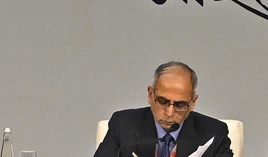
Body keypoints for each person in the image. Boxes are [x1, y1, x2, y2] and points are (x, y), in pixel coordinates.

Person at [94, 61, 233, 157]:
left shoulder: (214, 133)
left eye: (180, 105)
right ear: (150, 94)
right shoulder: (122, 125)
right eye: (162, 101)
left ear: (193, 102)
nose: (169, 112)